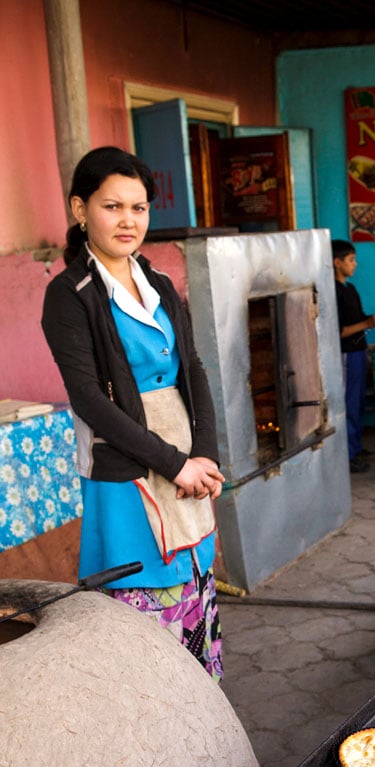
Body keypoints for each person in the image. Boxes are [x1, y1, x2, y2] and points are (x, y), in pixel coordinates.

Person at [41, 146, 226, 681]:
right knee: (144, 600)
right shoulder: (69, 295)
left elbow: (192, 369)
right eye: (112, 206)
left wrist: (205, 455)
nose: (128, 221)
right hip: (127, 471)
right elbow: (90, 400)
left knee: (194, 585)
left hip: (187, 463)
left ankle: (204, 718)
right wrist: (174, 464)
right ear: (81, 210)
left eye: (139, 208)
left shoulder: (160, 285)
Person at [332, 239, 375, 473]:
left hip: (358, 352)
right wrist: (366, 323)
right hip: (345, 354)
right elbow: (337, 331)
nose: (355, 264)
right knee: (346, 404)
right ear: (336, 263)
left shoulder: (350, 289)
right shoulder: (333, 291)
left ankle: (356, 447)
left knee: (357, 403)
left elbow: (359, 320)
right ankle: (346, 455)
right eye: (350, 260)